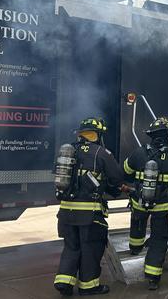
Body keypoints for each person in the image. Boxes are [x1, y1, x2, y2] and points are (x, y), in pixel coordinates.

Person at [54, 117, 123, 296]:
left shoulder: (68, 152)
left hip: (66, 213)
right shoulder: (102, 153)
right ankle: (89, 286)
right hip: (89, 215)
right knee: (90, 249)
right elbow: (116, 179)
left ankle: (64, 282)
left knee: (71, 247)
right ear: (97, 135)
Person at [123, 117, 168, 290]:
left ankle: (135, 247)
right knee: (158, 240)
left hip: (140, 202)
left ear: (151, 136)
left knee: (137, 223)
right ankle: (153, 278)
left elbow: (125, 171)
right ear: (167, 136)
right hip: (162, 208)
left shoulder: (139, 153)